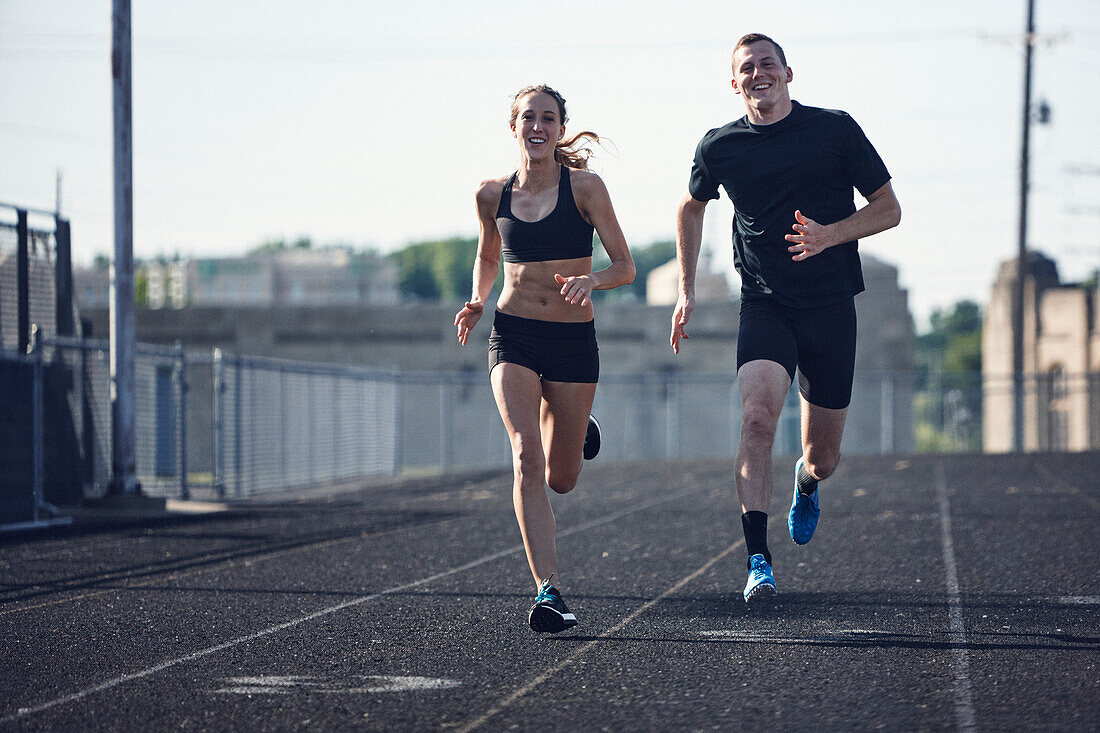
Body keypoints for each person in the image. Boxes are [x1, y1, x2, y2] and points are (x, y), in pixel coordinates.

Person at [670, 34, 901, 603]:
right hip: (766, 304)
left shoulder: (834, 130)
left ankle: (805, 480)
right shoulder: (719, 146)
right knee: (755, 420)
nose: (757, 74)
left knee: (823, 457)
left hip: (829, 307)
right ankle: (758, 561)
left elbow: (889, 209)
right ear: (734, 83)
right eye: (746, 68)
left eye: (767, 64)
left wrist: (830, 235)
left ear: (788, 73)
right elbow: (690, 206)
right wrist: (686, 290)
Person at [454, 84, 635, 632]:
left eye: (548, 118)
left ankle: (579, 431)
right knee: (525, 457)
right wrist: (477, 299)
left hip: (572, 343)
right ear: (514, 126)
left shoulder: (585, 188)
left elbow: (625, 267)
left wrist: (592, 280)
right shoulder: (491, 194)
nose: (538, 126)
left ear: (560, 128)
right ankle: (548, 591)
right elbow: (488, 253)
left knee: (562, 478)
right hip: (513, 338)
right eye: (528, 117)